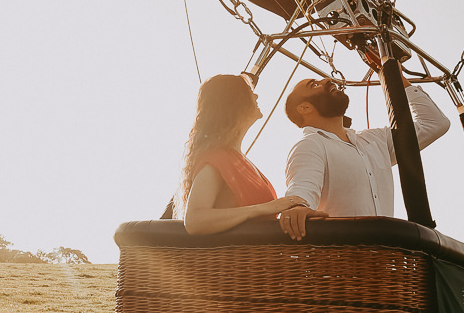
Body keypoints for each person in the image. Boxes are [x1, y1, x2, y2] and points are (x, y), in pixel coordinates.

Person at [283, 75, 450, 222]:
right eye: (314, 85)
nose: (327, 80)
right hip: (341, 256)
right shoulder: (311, 145)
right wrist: (298, 206)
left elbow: (435, 123)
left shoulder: (376, 140)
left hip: (383, 255)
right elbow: (302, 190)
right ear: (305, 108)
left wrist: (393, 75)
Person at [180, 74, 322, 237]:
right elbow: (195, 220)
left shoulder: (238, 159)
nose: (255, 95)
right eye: (248, 91)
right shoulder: (216, 159)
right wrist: (266, 207)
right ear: (232, 102)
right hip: (231, 261)